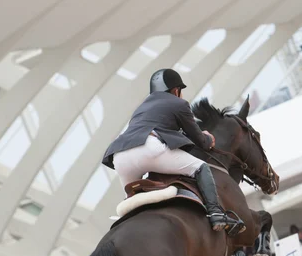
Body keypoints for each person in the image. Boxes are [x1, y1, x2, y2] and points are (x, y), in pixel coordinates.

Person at [102, 69, 244, 234]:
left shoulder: (141, 108)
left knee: (132, 203)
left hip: (120, 158)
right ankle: (216, 213)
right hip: (148, 149)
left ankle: (126, 230)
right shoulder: (179, 104)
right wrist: (208, 139)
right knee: (200, 167)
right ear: (176, 90)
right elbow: (200, 141)